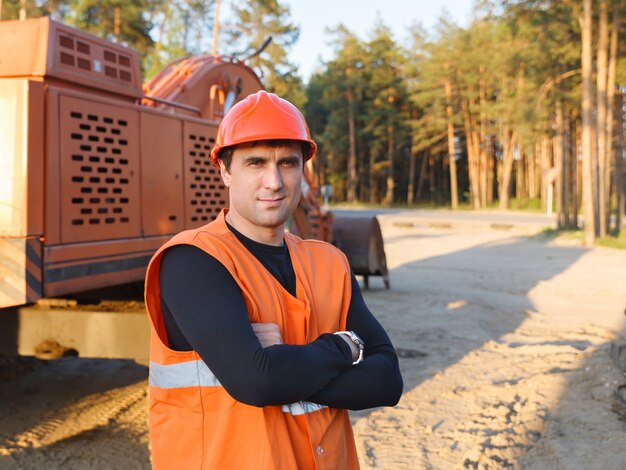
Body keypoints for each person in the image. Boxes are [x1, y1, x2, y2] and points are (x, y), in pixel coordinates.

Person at [144, 90, 403, 469]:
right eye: (255, 162)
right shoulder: (193, 260)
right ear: (225, 171)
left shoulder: (330, 262)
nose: (274, 181)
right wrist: (342, 350)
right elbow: (257, 382)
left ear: (303, 170)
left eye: (287, 163)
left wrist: (280, 367)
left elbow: (387, 381)